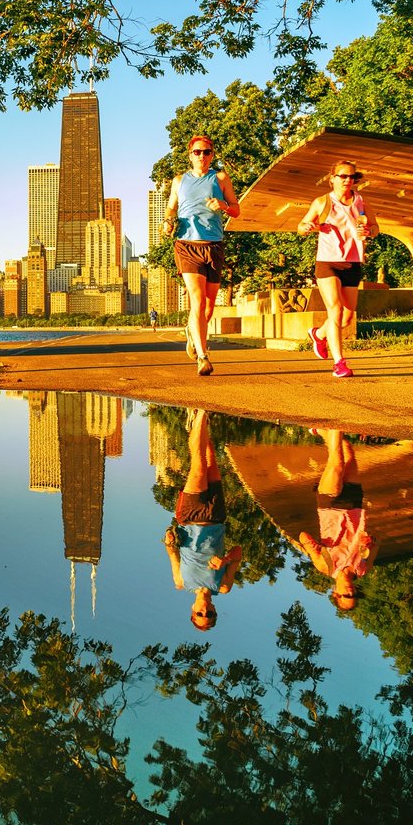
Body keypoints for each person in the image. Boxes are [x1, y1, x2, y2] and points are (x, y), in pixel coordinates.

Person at [161, 135, 240, 377]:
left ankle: (191, 331)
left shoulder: (220, 178)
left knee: (207, 308)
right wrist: (167, 221)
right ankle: (203, 357)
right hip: (187, 245)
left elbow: (237, 209)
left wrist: (223, 206)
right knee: (197, 300)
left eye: (206, 152)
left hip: (214, 246)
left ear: (212, 155)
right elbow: (171, 207)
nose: (202, 156)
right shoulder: (178, 181)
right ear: (190, 155)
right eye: (197, 152)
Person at [297, 159, 379, 379]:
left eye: (351, 176)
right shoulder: (322, 202)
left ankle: (319, 334)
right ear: (332, 178)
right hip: (328, 262)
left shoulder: (361, 201)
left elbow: (375, 227)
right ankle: (339, 363)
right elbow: (301, 227)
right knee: (336, 310)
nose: (347, 180)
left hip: (353, 262)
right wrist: (308, 226)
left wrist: (368, 232)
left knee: (347, 318)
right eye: (342, 176)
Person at [163, 409, 243, 630]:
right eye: (208, 614)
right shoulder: (223, 586)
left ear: (192, 611)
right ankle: (198, 423)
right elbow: (237, 552)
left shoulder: (181, 582)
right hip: (216, 517)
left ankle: (201, 411)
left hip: (189, 518)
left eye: (200, 614)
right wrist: (226, 561)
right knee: (210, 460)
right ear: (215, 611)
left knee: (197, 467)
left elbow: (172, 552)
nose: (204, 610)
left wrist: (169, 539)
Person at [297, 429, 379, 610]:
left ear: (335, 593)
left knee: (336, 463)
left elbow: (302, 536)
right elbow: (376, 544)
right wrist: (370, 541)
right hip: (355, 506)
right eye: (354, 595)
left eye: (345, 595)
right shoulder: (363, 568)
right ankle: (320, 431)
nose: (350, 591)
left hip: (330, 506)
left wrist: (312, 547)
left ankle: (333, 421)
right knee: (347, 450)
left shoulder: (326, 566)